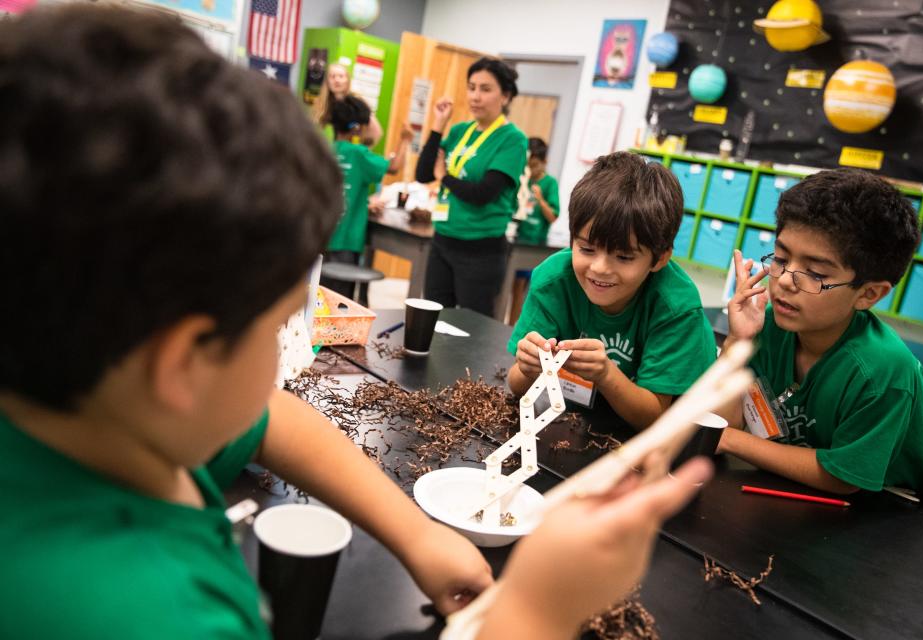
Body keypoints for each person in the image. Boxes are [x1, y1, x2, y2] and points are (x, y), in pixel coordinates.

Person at [0, 6, 713, 638]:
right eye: (282, 326)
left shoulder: (113, 406)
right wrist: (532, 615)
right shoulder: (156, 615)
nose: (287, 353)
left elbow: (270, 419)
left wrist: (416, 535)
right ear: (186, 362)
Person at [722, 169, 923, 502]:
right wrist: (737, 344)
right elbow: (722, 420)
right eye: (781, 258)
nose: (783, 280)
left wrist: (730, 440)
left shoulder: (884, 371)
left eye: (815, 273)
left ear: (869, 294)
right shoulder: (766, 325)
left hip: (886, 513)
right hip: (788, 491)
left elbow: (841, 477)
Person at [507, 152, 717, 430]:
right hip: (583, 421)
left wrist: (606, 374)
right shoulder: (553, 281)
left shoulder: (676, 307)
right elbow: (517, 385)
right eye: (586, 249)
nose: (600, 268)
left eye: (624, 257)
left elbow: (655, 416)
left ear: (660, 258)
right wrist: (528, 367)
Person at [415, 57, 528, 317]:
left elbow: (482, 194)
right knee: (433, 322)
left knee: (470, 332)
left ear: (506, 96)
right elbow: (422, 174)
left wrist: (444, 178)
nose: (475, 96)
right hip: (442, 241)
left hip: (481, 252)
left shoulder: (513, 139)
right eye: (471, 87)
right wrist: (438, 126)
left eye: (485, 89)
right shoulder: (459, 131)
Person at [321, 95, 413, 304]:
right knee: (339, 301)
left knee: (320, 297)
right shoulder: (359, 153)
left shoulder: (327, 149)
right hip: (346, 242)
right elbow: (394, 167)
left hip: (323, 237)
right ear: (356, 128)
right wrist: (405, 140)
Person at [311, 61, 384, 147]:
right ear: (327, 81)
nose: (337, 80)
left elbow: (377, 132)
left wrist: (362, 150)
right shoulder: (322, 105)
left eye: (341, 76)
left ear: (347, 80)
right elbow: (314, 131)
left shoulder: (358, 104)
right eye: (332, 76)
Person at [516, 137, 560, 245]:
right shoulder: (522, 178)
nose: (530, 170)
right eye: (527, 165)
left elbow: (553, 218)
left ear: (545, 162)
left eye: (534, 165)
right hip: (516, 237)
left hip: (537, 242)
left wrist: (540, 200)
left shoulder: (550, 183)